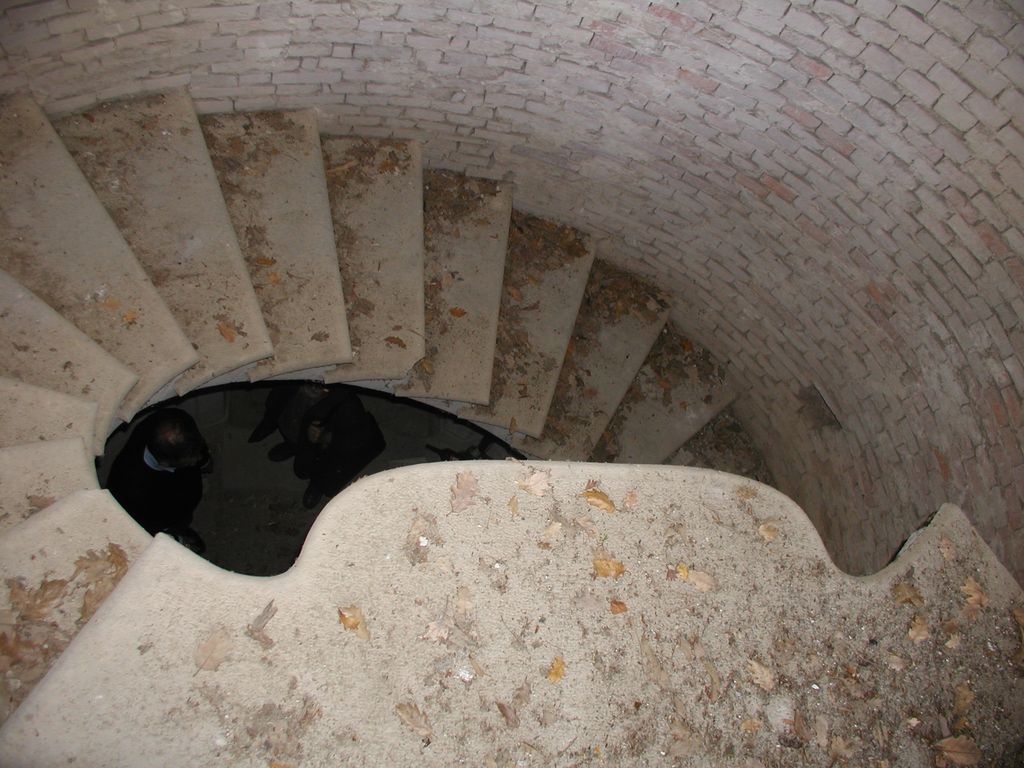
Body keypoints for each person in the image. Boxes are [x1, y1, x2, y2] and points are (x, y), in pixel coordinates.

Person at [249, 383, 386, 508]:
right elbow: (275, 402)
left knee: (305, 469)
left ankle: (317, 485)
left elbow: (352, 443)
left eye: (323, 385)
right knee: (291, 428)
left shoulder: (346, 405)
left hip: (321, 450)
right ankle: (291, 445)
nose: (315, 387)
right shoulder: (291, 383)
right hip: (295, 431)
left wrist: (325, 436)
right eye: (311, 380)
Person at [105, 407, 209, 553]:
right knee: (171, 525)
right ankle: (178, 536)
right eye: (190, 460)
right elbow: (147, 524)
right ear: (165, 463)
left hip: (179, 491)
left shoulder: (169, 420)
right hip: (162, 516)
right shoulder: (131, 489)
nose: (196, 460)